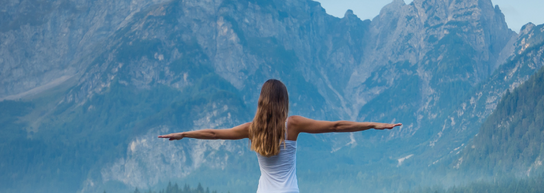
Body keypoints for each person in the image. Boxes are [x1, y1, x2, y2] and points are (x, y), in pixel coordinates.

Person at [158, 79, 402, 193]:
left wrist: (184, 134)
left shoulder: (251, 128)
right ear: (284, 101)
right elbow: (335, 126)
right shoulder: (292, 125)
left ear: (261, 102)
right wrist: (372, 124)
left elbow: (213, 133)